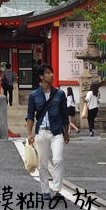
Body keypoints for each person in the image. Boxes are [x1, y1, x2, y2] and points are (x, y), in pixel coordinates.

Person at [26, 64, 70, 201]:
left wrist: (66, 132)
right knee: (43, 163)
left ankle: (56, 190)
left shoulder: (60, 94)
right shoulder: (34, 95)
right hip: (41, 132)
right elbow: (30, 115)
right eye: (48, 73)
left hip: (57, 132)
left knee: (57, 159)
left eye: (52, 72)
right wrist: (29, 133)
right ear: (41, 77)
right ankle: (45, 190)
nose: (52, 75)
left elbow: (64, 114)